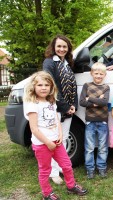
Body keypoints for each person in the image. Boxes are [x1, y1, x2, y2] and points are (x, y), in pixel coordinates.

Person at [23, 71, 87, 200]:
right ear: (33, 87)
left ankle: (71, 186)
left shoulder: (51, 102)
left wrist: (60, 134)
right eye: (40, 85)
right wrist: (48, 142)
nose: (44, 88)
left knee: (67, 165)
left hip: (56, 142)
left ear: (51, 87)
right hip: (42, 145)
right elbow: (34, 129)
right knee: (45, 170)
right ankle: (47, 194)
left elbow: (57, 120)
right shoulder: (32, 105)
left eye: (47, 85)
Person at [43, 34, 78, 185]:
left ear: (68, 48)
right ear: (53, 47)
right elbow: (52, 87)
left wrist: (74, 105)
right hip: (56, 107)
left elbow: (73, 85)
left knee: (63, 139)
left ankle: (60, 167)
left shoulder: (66, 63)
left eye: (65, 46)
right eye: (59, 46)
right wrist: (65, 106)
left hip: (68, 108)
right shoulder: (49, 63)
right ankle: (53, 172)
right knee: (55, 140)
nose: (62, 49)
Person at [79, 62, 110, 179]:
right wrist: (98, 100)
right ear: (91, 73)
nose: (98, 76)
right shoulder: (86, 85)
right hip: (89, 121)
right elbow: (82, 102)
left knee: (103, 147)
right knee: (89, 147)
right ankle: (90, 169)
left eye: (101, 74)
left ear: (105, 75)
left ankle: (101, 167)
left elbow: (104, 102)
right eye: (96, 73)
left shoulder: (106, 87)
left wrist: (90, 99)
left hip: (103, 121)